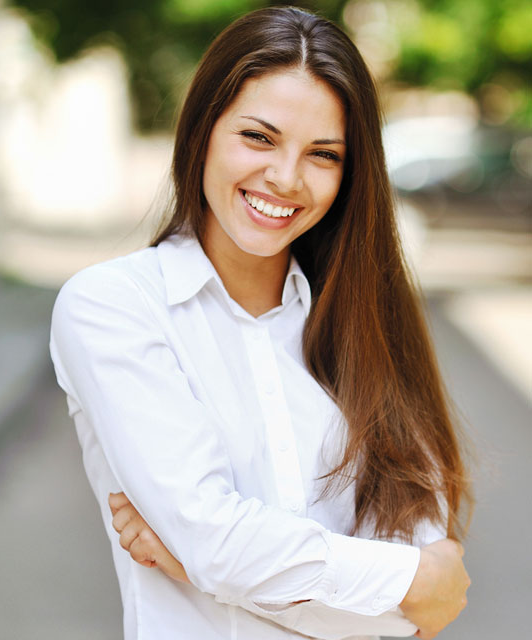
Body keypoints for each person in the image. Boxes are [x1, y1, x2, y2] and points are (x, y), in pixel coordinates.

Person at [50, 6, 472, 640]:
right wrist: (406, 582)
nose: (285, 177)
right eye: (258, 137)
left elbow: (420, 615)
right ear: (202, 132)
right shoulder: (113, 307)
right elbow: (419, 591)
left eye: (323, 154)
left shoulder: (368, 325)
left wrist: (200, 569)